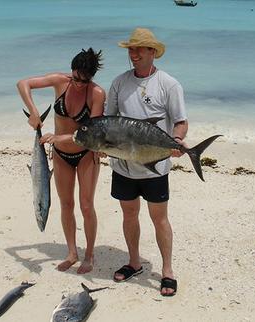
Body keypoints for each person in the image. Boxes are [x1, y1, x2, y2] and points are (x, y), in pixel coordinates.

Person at [105, 28, 188, 296]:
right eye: (131, 49)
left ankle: (167, 271)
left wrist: (176, 141)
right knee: (129, 214)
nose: (134, 54)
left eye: (140, 49)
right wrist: (101, 146)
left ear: (153, 52)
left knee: (159, 218)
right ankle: (134, 262)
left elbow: (181, 121)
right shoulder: (119, 82)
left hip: (155, 167)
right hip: (123, 165)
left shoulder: (169, 84)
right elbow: (110, 121)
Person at [17, 48, 106, 274]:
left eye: (83, 81)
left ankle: (89, 254)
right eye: (75, 77)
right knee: (66, 204)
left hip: (86, 153)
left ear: (91, 78)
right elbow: (23, 83)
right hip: (60, 155)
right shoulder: (60, 81)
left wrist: (59, 137)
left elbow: (92, 133)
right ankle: (71, 252)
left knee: (86, 206)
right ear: (72, 71)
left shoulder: (96, 94)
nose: (77, 83)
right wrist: (34, 111)